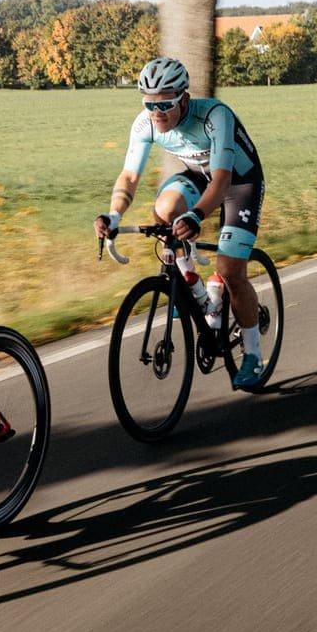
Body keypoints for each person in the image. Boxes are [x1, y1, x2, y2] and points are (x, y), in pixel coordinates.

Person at [94, 57, 269, 390]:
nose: (157, 112)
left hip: (238, 181)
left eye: (166, 104)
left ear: (184, 99)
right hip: (200, 175)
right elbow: (130, 176)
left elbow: (221, 181)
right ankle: (200, 294)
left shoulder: (216, 116)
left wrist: (197, 215)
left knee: (231, 270)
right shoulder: (145, 124)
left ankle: (252, 355)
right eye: (149, 104)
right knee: (164, 210)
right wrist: (114, 215)